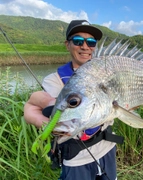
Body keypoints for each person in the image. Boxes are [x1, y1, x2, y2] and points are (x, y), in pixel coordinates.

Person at [24, 20, 123, 180]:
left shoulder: (110, 74)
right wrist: (44, 122)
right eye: (78, 41)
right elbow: (40, 109)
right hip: (76, 159)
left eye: (91, 42)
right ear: (67, 44)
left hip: (107, 148)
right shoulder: (54, 81)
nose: (85, 47)